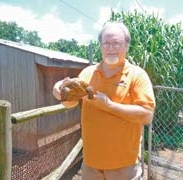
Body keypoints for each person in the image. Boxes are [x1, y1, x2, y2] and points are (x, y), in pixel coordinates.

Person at [53, 21, 156, 180]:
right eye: (106, 43)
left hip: (124, 165)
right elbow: (70, 102)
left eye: (116, 43)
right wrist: (60, 91)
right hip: (90, 164)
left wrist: (108, 105)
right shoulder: (87, 73)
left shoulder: (137, 75)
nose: (110, 48)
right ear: (100, 46)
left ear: (126, 46)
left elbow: (146, 115)